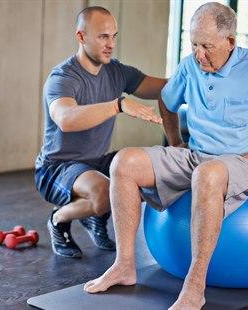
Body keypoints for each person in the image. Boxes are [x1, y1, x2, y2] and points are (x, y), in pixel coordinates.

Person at [84, 2, 248, 309]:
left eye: (207, 46)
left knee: (208, 174)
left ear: (230, 42)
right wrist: (175, 142)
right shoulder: (190, 65)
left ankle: (195, 286)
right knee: (124, 163)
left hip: (242, 161)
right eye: (194, 44)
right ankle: (124, 265)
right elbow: (168, 100)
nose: (199, 54)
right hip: (197, 155)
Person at [35, 6, 166, 259]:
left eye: (114, 36)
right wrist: (118, 104)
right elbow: (66, 119)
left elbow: (161, 88)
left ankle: (96, 212)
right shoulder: (63, 78)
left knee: (141, 172)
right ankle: (58, 218)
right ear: (81, 37)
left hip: (94, 162)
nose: (111, 44)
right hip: (56, 168)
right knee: (106, 192)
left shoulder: (116, 72)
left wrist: (198, 74)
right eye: (103, 37)